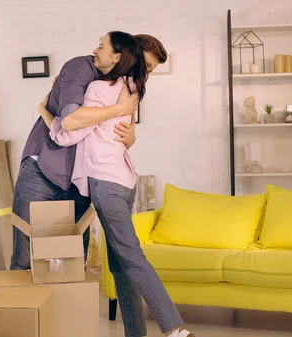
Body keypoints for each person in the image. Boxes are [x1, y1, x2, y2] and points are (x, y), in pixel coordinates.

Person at [37, 31, 194, 337]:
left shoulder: (99, 88)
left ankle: (174, 329)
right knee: (121, 265)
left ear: (121, 54)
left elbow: (64, 132)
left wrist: (44, 108)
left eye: (102, 46)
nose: (146, 73)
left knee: (131, 257)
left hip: (106, 182)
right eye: (146, 65)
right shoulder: (131, 90)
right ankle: (136, 333)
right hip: (124, 182)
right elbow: (120, 135)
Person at [10, 33, 167, 272]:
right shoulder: (81, 68)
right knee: (27, 253)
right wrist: (117, 109)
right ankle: (24, 308)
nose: (145, 74)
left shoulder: (123, 86)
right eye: (145, 65)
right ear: (127, 55)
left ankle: (65, 309)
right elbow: (70, 123)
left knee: (71, 259)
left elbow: (119, 135)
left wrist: (130, 136)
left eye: (150, 70)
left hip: (79, 179)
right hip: (44, 168)